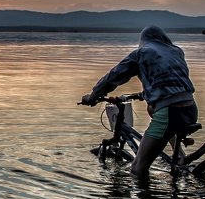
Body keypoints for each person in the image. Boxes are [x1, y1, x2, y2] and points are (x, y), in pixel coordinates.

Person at [81, 25, 197, 183]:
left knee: (137, 168)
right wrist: (144, 94)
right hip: (190, 108)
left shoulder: (142, 53)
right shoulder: (176, 51)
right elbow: (171, 83)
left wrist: (93, 96)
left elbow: (114, 76)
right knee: (153, 109)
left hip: (170, 112)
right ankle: (180, 158)